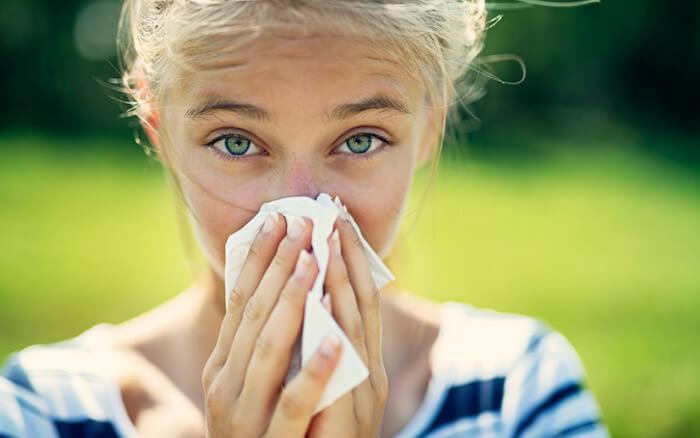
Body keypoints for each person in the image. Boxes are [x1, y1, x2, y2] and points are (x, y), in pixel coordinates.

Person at [0, 1, 609, 437]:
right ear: (161, 130)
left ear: (428, 127)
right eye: (236, 142)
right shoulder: (40, 410)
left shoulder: (517, 393)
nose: (301, 218)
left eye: (362, 139)